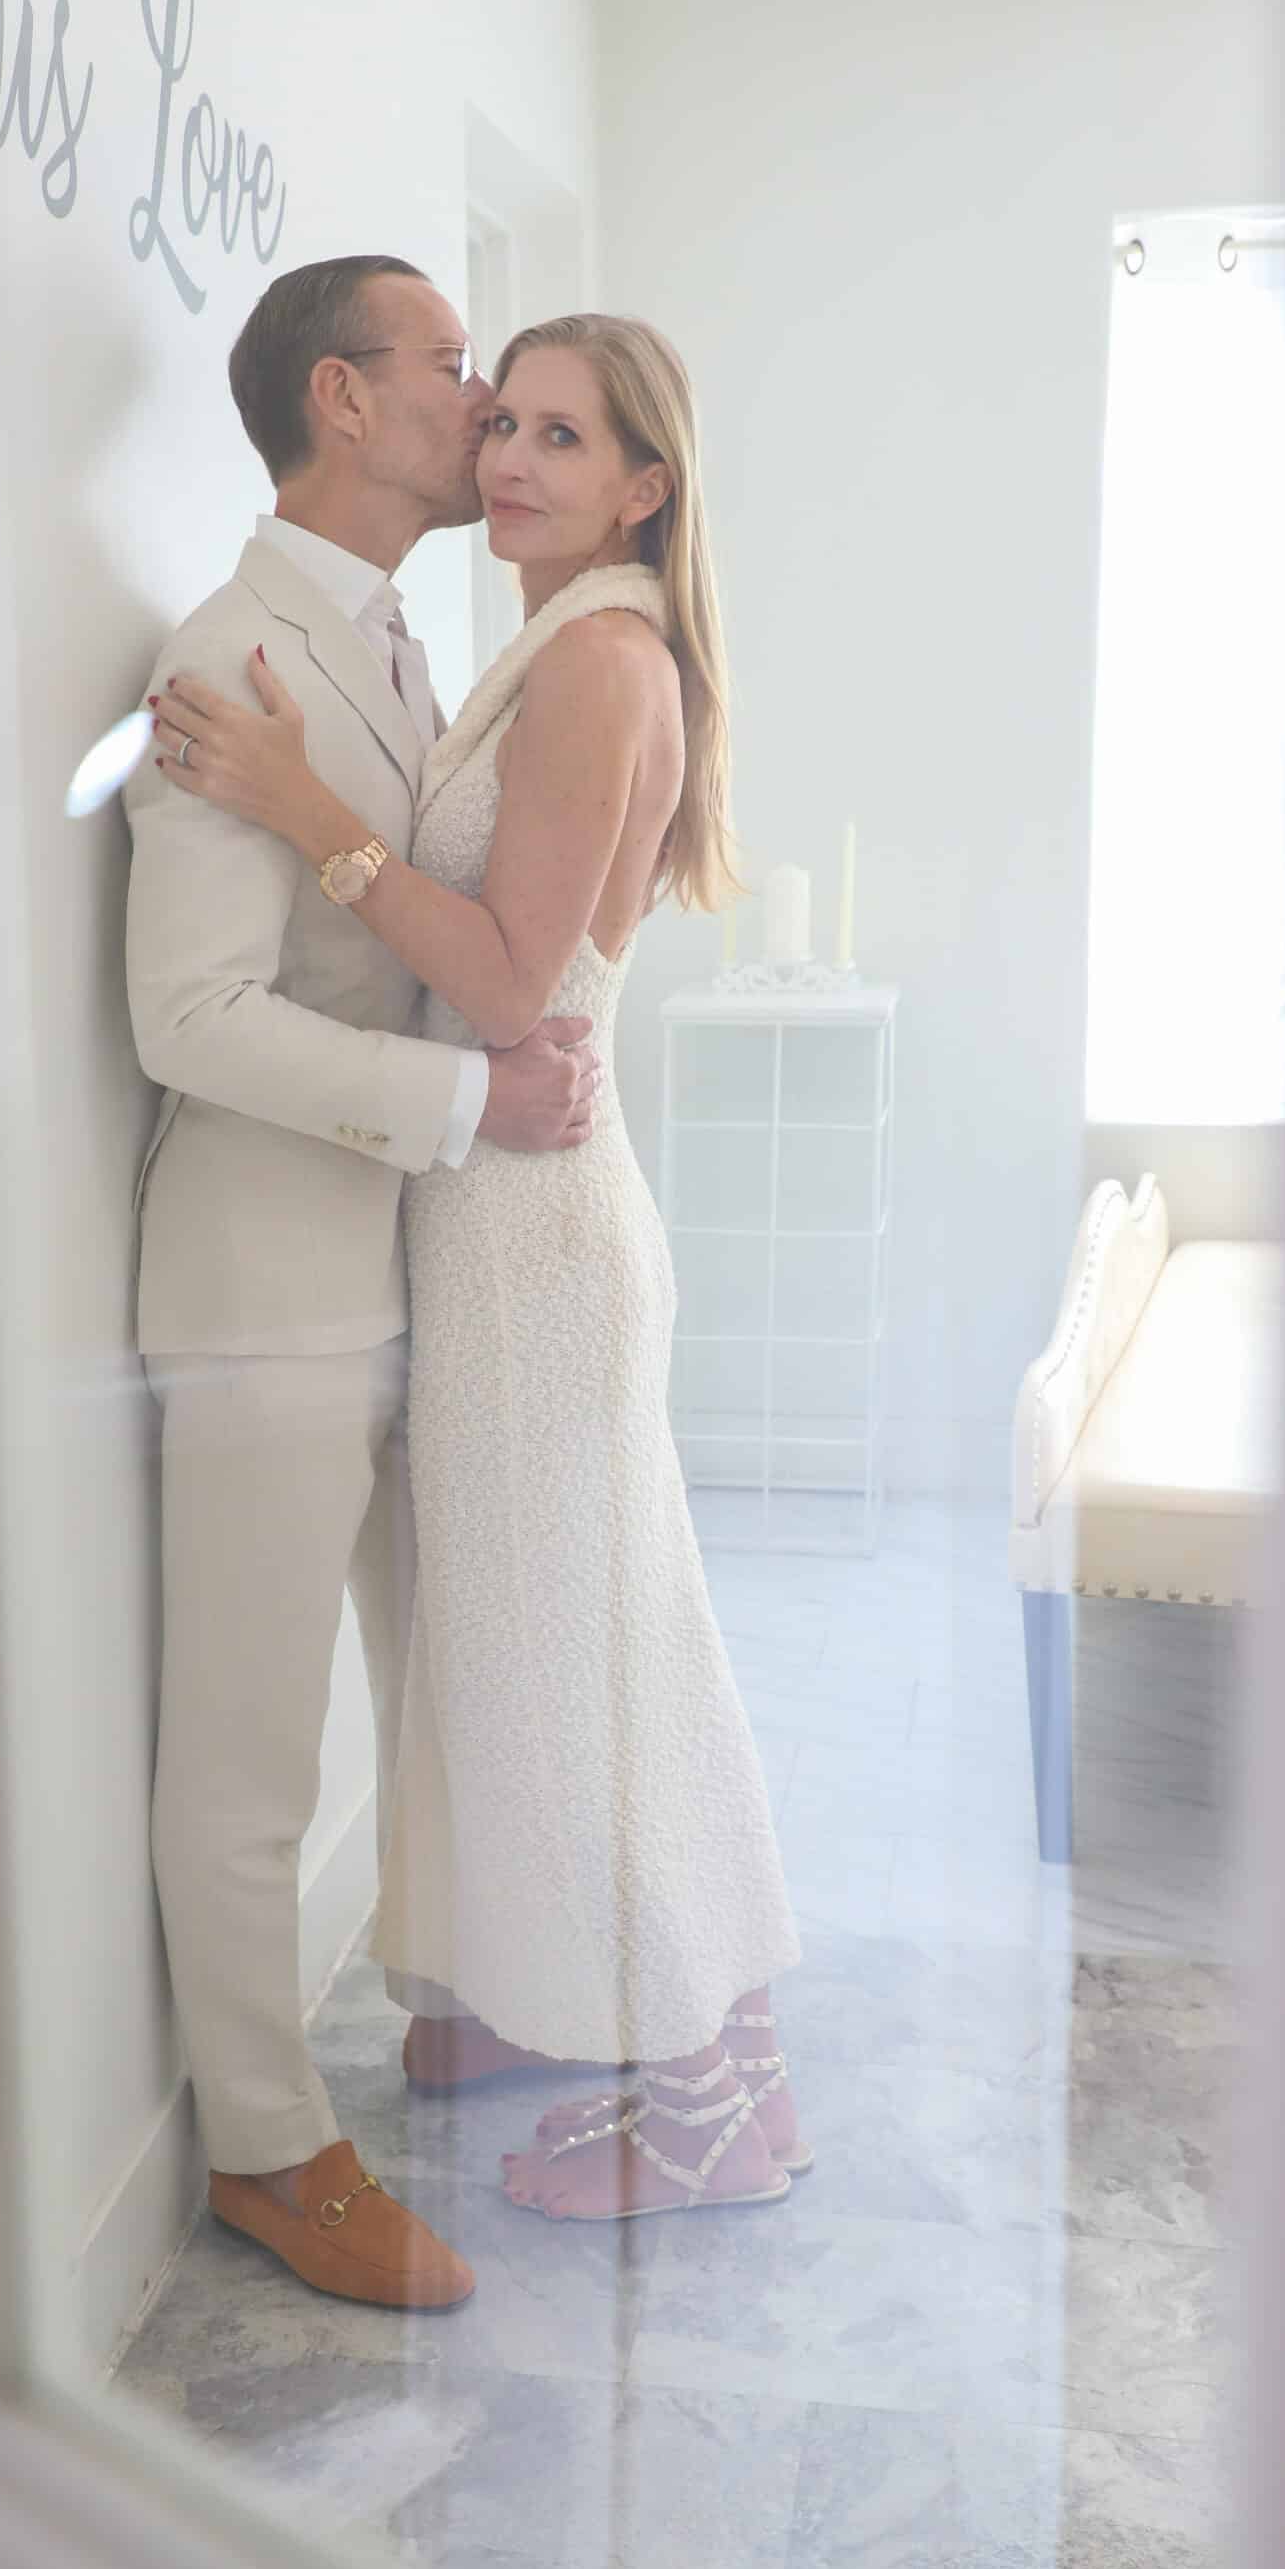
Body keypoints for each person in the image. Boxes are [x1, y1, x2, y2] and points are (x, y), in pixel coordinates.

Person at [149, 312, 808, 2223]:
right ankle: (714, 2062)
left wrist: (306, 812)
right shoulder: (542, 644)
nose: (507, 455)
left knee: (584, 1682)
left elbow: (511, 987)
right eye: (500, 414)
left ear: (645, 487)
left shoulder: (595, 659)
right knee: (592, 1659)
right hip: (502, 1221)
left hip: (530, 1238)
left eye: (562, 438)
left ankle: (707, 2097)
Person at [125, 257, 611, 2310]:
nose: (481, 398)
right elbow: (186, 1016)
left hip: (413, 1267)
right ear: (341, 399)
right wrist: (470, 1100)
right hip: (261, 1293)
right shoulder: (231, 658)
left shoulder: (406, 644)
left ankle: (450, 2003)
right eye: (448, 365)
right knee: (249, 1757)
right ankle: (269, 2150)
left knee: (439, 1685)